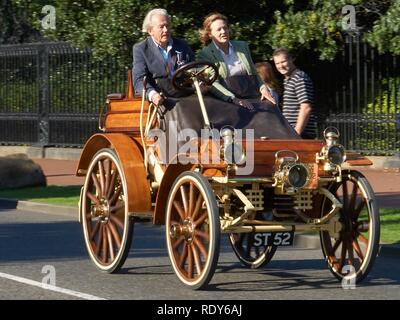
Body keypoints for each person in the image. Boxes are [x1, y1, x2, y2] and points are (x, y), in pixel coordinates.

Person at [197, 13, 275, 111]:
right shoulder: (205, 54)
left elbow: (253, 72)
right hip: (226, 100)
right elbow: (213, 83)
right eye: (219, 29)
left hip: (252, 95)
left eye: (225, 28)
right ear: (210, 34)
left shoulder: (242, 46)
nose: (223, 32)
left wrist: (263, 88)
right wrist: (234, 99)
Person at [132, 8, 194, 106]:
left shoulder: (182, 45)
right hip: (162, 101)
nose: (166, 30)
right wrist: (152, 95)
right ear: (150, 31)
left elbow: (194, 69)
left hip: (186, 98)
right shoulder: (141, 49)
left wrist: (199, 84)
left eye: (167, 26)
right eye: (161, 27)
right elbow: (139, 80)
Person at [272, 48, 317, 139]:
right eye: (277, 63)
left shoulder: (299, 78)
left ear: (291, 59)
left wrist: (296, 133)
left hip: (301, 134)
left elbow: (306, 107)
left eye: (283, 61)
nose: (281, 66)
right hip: (292, 132)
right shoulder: (289, 79)